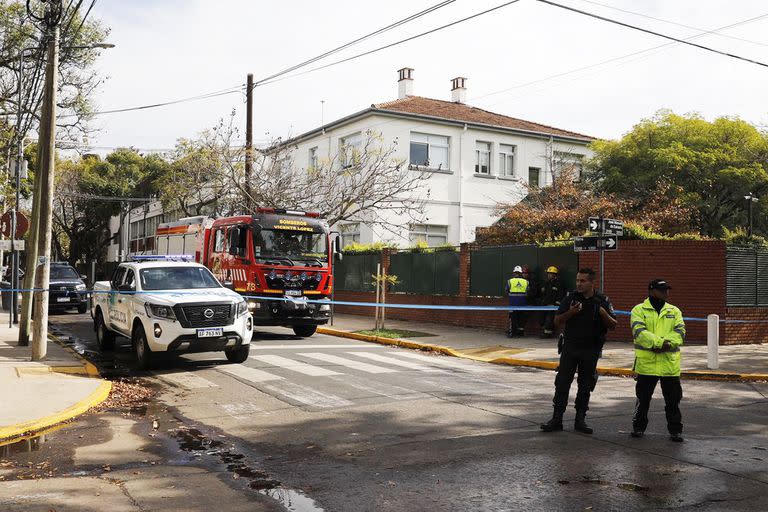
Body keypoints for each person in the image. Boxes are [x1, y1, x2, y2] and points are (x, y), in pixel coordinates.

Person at [540, 268, 617, 434]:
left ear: (591, 282)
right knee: (562, 384)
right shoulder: (571, 298)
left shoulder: (602, 300)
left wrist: (603, 313)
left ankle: (580, 420)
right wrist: (571, 312)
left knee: (585, 385)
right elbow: (557, 321)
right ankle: (556, 419)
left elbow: (613, 325)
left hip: (591, 349)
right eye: (577, 280)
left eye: (582, 281)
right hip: (570, 348)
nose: (579, 284)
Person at [630, 279, 686, 442]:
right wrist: (661, 343)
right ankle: (638, 428)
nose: (666, 293)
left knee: (673, 401)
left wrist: (665, 345)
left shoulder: (674, 311)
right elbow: (639, 332)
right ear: (651, 291)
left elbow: (680, 332)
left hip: (669, 365)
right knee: (643, 400)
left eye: (667, 290)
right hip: (647, 365)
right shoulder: (639, 310)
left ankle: (675, 431)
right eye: (662, 290)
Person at [539, 266, 565, 338]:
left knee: (549, 319)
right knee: (542, 318)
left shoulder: (559, 284)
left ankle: (547, 333)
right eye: (548, 273)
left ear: (555, 275)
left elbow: (561, 294)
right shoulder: (546, 283)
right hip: (545, 305)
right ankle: (544, 331)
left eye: (550, 274)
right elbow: (544, 294)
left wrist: (556, 304)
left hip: (553, 306)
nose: (549, 275)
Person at [505, 265, 529, 337]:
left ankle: (513, 333)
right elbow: (528, 291)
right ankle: (520, 333)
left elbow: (506, 291)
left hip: (513, 303)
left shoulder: (510, 281)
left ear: (514, 273)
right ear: (521, 273)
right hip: (523, 303)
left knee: (513, 318)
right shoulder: (526, 282)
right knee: (521, 319)